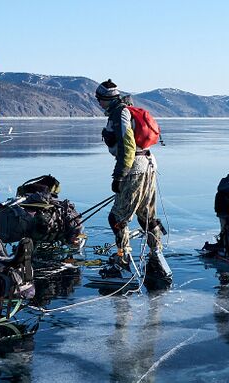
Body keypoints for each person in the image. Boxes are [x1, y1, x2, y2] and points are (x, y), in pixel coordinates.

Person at [95, 79, 172, 286]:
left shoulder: (120, 114)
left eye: (99, 99)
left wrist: (119, 176)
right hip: (148, 164)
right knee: (147, 216)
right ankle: (157, 256)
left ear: (105, 99)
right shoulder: (127, 110)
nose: (99, 103)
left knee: (117, 218)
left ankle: (123, 259)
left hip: (135, 169)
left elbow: (127, 148)